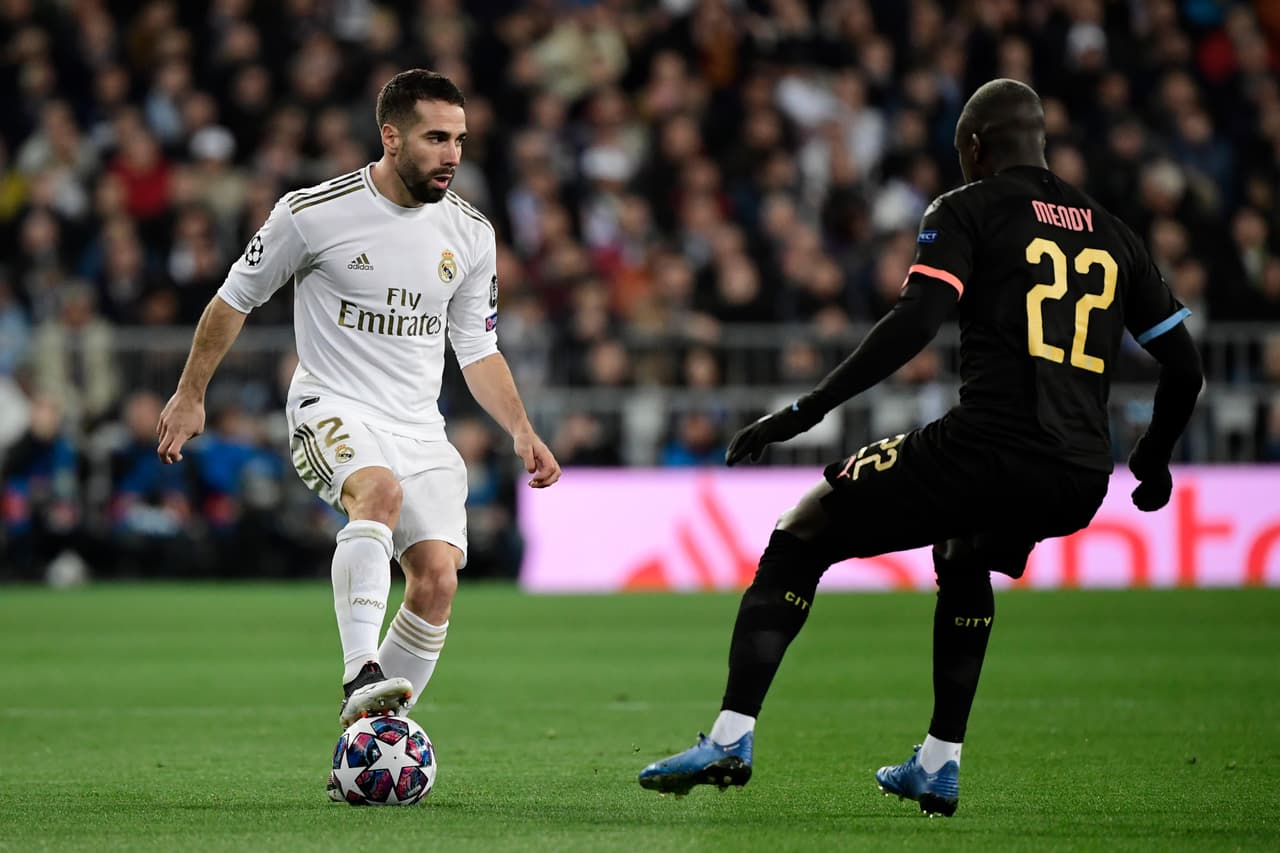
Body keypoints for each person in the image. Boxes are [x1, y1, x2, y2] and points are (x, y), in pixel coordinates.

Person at [637, 79, 1204, 816]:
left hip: (988, 445)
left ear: (974, 148)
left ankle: (729, 736)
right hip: (1078, 476)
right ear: (1042, 143)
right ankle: (938, 761)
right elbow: (1185, 366)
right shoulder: (1113, 231)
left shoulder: (965, 208)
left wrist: (807, 409)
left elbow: (914, 322)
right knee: (964, 552)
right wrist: (1153, 459)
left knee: (801, 531)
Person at [155, 69, 561, 794]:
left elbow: (477, 346)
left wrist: (522, 429)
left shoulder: (469, 233)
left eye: (461, 140)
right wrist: (191, 393)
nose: (452, 154)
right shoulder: (313, 213)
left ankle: (367, 742)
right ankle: (359, 670)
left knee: (436, 579)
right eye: (437, 137)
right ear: (392, 135)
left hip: (418, 423)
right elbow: (232, 299)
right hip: (331, 404)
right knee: (377, 493)